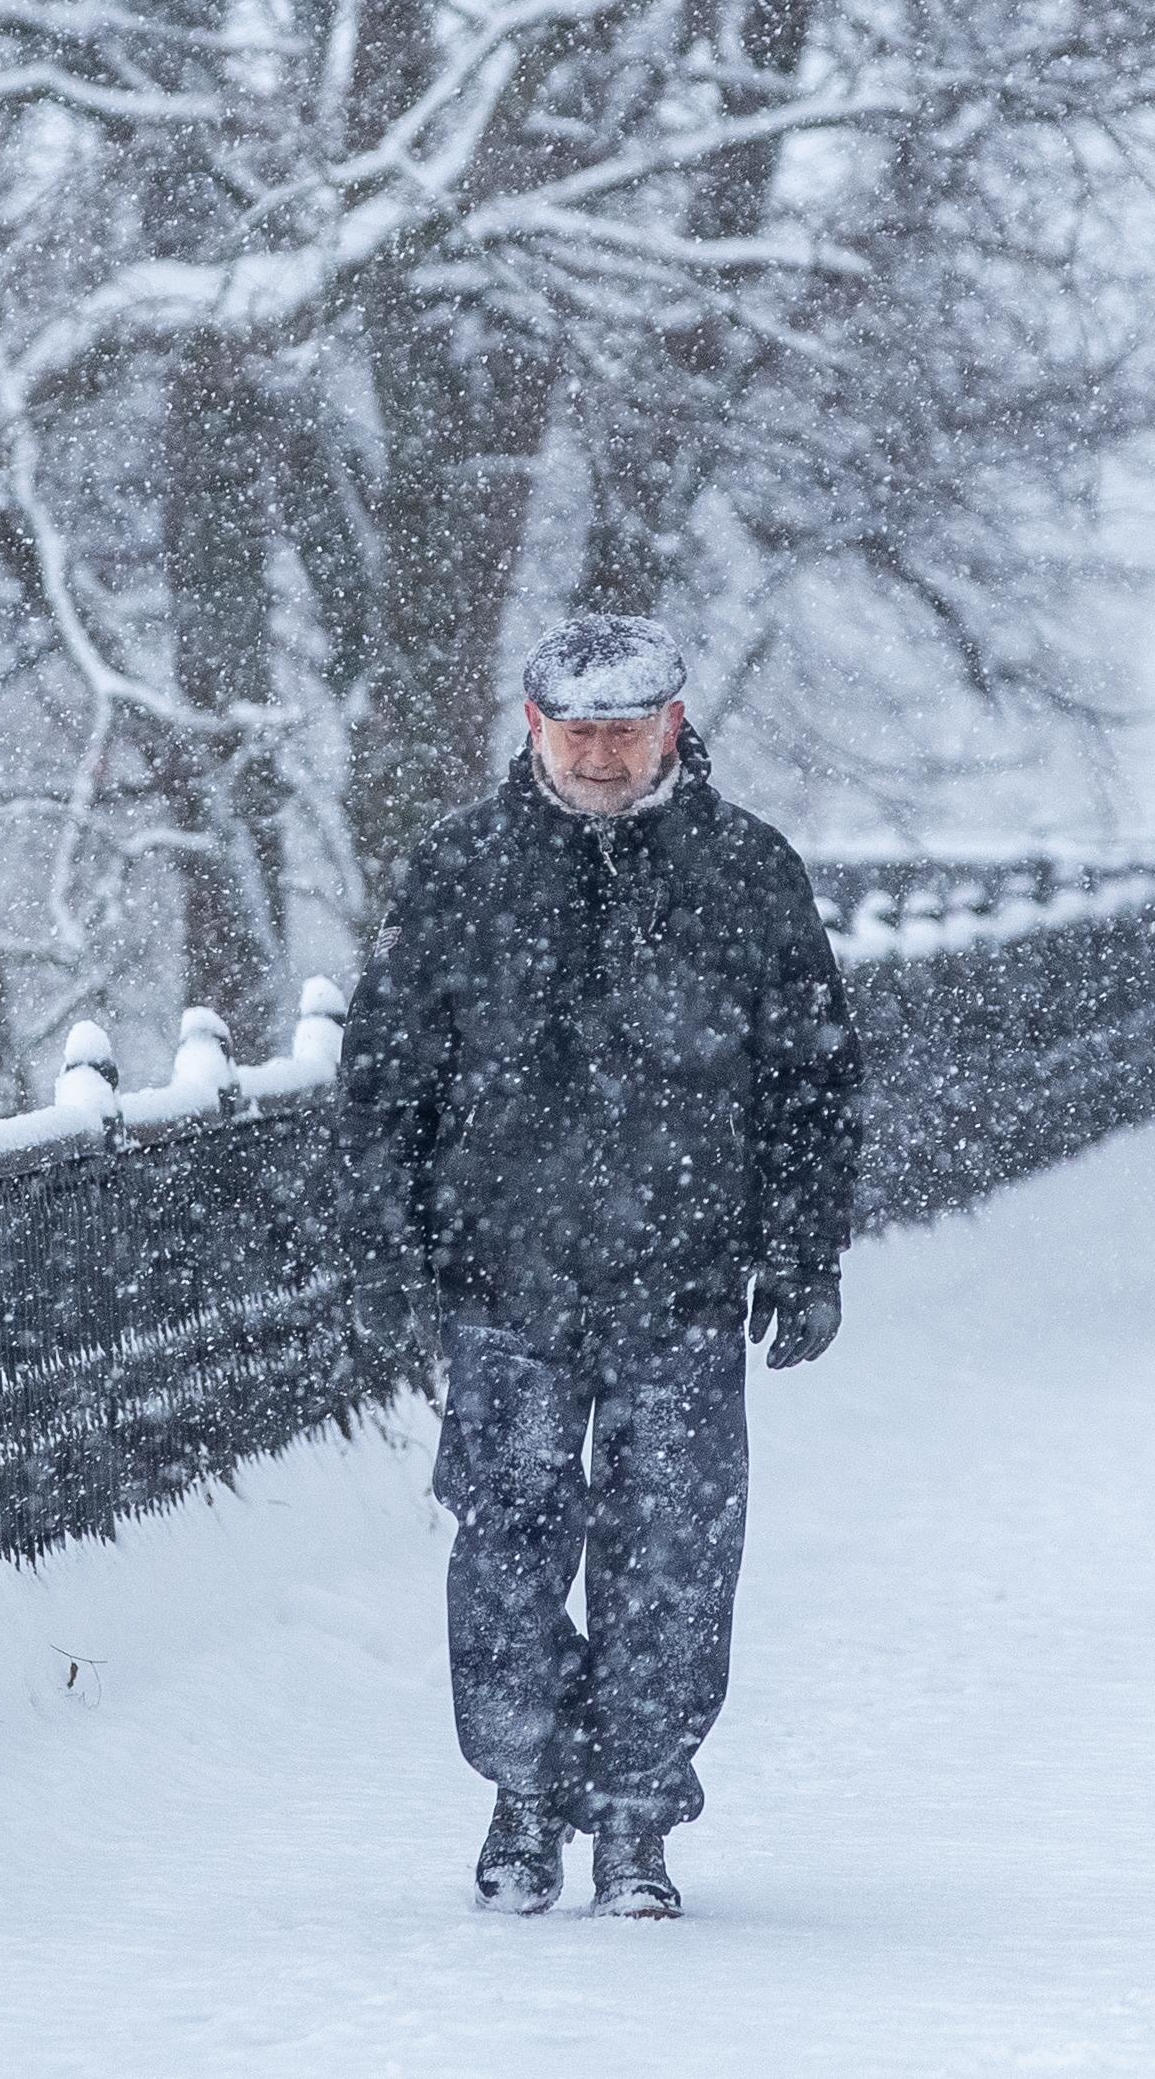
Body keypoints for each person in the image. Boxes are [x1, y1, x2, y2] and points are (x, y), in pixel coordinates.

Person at [343, 612, 862, 1917]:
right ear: (533, 727)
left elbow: (809, 1081)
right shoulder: (462, 872)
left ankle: (637, 1812)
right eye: (576, 730)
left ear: (673, 723)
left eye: (625, 729)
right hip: (501, 1281)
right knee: (505, 1562)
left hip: (683, 1282)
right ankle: (525, 1794)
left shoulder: (747, 875)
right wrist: (386, 1254)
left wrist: (803, 1255)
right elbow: (385, 1077)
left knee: (673, 1558)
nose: (599, 754)